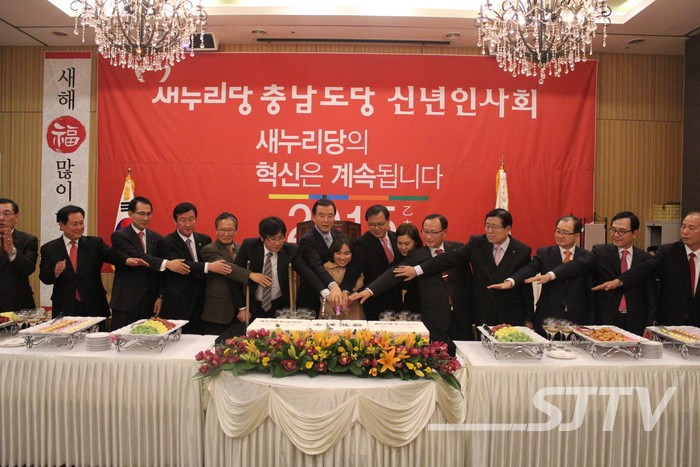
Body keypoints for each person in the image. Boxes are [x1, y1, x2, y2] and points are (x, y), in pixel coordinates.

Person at [351, 214, 472, 356]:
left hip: (462, 317)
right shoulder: (416, 256)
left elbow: (469, 281)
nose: (428, 236)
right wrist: (369, 290)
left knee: (468, 358)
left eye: (433, 232)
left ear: (444, 232)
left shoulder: (458, 249)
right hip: (435, 319)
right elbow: (393, 273)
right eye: (425, 231)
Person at [395, 208, 534, 327]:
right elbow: (447, 258)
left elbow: (526, 285)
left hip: (511, 313)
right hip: (483, 313)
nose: (490, 231)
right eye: (487, 226)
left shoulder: (521, 250)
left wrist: (528, 318)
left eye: (494, 227)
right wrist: (417, 270)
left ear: (508, 228)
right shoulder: (477, 244)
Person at [529, 211, 657, 336]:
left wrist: (650, 324)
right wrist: (551, 275)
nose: (616, 235)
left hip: (635, 320)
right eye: (613, 230)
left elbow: (650, 295)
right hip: (607, 319)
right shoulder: (601, 252)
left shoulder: (645, 259)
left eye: (622, 231)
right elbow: (578, 265)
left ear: (635, 233)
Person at [39, 205, 147, 321]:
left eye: (81, 223)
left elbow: (112, 254)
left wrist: (126, 260)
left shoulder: (94, 243)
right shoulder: (49, 248)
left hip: (94, 306)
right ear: (61, 225)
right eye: (75, 224)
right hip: (65, 307)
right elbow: (44, 277)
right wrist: (55, 272)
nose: (80, 227)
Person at [488, 215, 595, 331]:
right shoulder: (545, 253)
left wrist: (550, 276)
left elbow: (573, 270)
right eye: (557, 231)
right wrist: (511, 281)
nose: (559, 236)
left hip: (577, 319)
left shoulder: (586, 256)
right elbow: (529, 269)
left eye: (565, 232)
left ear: (577, 236)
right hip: (548, 319)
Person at [593, 211, 700, 326]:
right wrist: (619, 281)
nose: (685, 231)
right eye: (683, 226)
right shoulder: (668, 252)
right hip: (672, 323)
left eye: (691, 228)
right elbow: (645, 268)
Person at [110, 196, 190, 331]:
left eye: (149, 214)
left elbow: (160, 273)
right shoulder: (120, 236)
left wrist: (160, 296)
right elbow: (138, 256)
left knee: (148, 337)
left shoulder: (157, 238)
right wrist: (167, 263)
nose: (146, 218)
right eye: (141, 214)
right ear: (130, 214)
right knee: (121, 338)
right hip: (126, 301)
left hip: (150, 301)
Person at [157, 202, 232, 333]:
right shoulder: (166, 242)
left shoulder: (204, 239)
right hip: (179, 302)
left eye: (191, 219)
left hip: (202, 302)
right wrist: (209, 267)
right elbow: (182, 265)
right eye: (183, 220)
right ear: (175, 221)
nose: (188, 224)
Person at [200, 213, 271, 336]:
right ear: (216, 230)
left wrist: (244, 307)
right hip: (219, 309)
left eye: (230, 230)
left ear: (236, 231)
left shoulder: (241, 248)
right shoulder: (209, 249)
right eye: (222, 230)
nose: (226, 234)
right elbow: (226, 267)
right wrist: (251, 275)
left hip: (241, 309)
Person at [295, 197, 359, 314]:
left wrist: (344, 289)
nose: (326, 220)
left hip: (339, 299)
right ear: (313, 217)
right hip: (313, 297)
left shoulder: (337, 234)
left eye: (330, 216)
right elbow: (316, 266)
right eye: (321, 216)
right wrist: (333, 286)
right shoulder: (307, 240)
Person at [233, 216, 299, 321]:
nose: (277, 243)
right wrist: (242, 307)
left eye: (281, 238)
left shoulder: (290, 250)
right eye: (273, 239)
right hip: (254, 306)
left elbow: (306, 272)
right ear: (262, 237)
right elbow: (234, 272)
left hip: (280, 306)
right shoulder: (249, 246)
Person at [350, 205, 401, 320]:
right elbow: (353, 272)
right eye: (372, 225)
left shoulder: (397, 238)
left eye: (381, 224)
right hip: (375, 299)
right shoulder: (362, 243)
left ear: (388, 221)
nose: (376, 228)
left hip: (398, 298)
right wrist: (345, 290)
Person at [0, 198, 38, 311]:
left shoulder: (28, 240)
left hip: (17, 304)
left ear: (16, 217)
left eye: (6, 214)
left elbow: (29, 268)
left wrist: (12, 251)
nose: (1, 218)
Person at [322, 235, 364, 319]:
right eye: (338, 253)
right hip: (330, 314)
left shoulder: (358, 268)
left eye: (347, 253)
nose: (342, 257)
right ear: (332, 253)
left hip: (355, 314)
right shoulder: (325, 269)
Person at [394, 222, 423, 312]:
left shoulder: (424, 257)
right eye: (399, 243)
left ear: (416, 242)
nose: (403, 247)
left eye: (407, 244)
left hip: (424, 304)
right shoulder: (397, 259)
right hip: (406, 305)